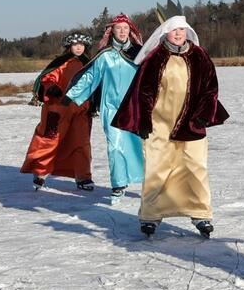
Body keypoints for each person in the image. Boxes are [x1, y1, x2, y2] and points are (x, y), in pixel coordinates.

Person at [112, 15, 229, 238]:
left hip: (191, 123)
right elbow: (143, 92)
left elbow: (210, 88)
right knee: (157, 168)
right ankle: (151, 215)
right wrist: (144, 121)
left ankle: (200, 213)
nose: (178, 34)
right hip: (160, 124)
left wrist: (204, 115)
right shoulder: (156, 57)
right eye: (174, 31)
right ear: (165, 33)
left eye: (182, 31)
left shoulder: (199, 55)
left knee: (195, 167)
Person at [65, 14, 145, 203]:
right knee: (114, 146)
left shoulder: (141, 54)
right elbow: (90, 77)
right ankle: (118, 184)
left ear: (131, 31)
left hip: (135, 107)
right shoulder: (105, 55)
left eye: (126, 28)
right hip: (111, 108)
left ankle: (145, 182)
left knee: (137, 146)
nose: (123, 32)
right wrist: (71, 95)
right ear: (112, 32)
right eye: (119, 28)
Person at [21, 32, 95, 191]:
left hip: (81, 110)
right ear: (69, 47)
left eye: (81, 45)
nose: (78, 48)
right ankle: (40, 172)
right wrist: (51, 88)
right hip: (58, 109)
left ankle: (83, 176)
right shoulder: (60, 63)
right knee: (50, 139)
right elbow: (46, 78)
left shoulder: (90, 64)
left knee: (81, 142)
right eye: (75, 45)